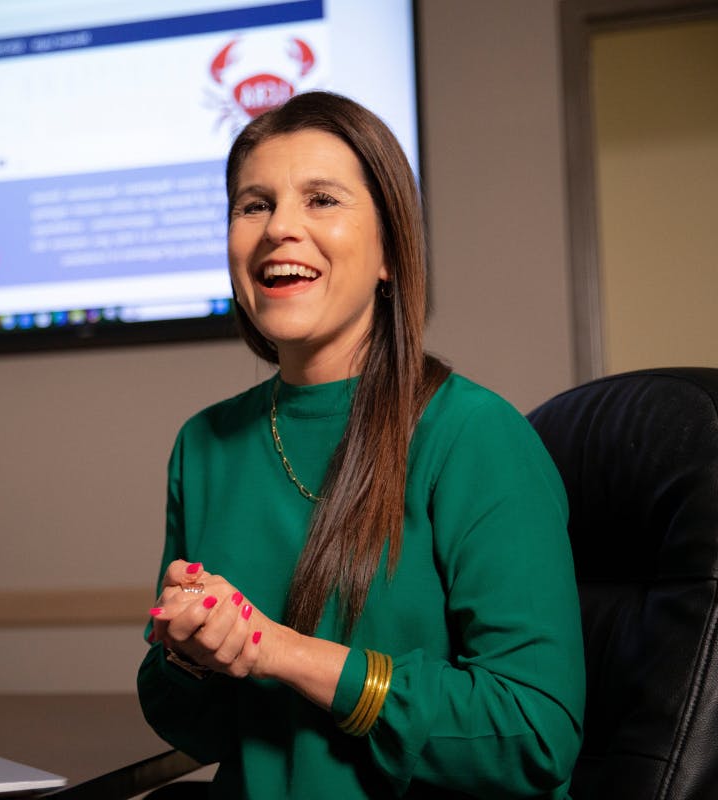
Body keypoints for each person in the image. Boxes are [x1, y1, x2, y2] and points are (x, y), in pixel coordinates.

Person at [137, 91, 585, 799]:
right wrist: (191, 655)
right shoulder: (205, 445)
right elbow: (198, 731)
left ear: (388, 252)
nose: (279, 228)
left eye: (321, 200)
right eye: (253, 205)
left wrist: (276, 649)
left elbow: (532, 733)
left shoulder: (476, 434)